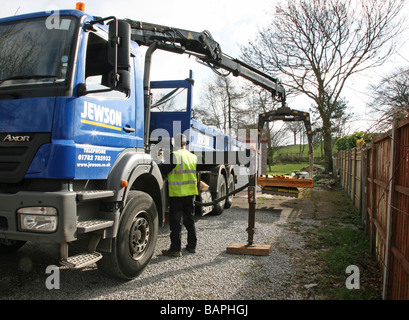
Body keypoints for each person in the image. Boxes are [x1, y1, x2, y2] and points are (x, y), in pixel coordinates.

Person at [159, 133, 198, 257]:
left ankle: (175, 249)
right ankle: (192, 246)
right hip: (190, 193)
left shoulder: (174, 156)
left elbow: (162, 169)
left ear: (174, 144)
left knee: (176, 222)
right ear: (185, 143)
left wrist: (160, 159)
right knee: (190, 220)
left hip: (177, 194)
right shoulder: (193, 157)